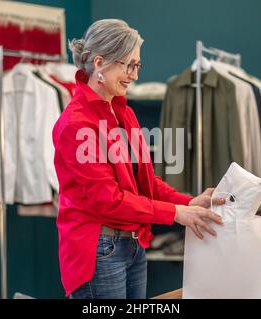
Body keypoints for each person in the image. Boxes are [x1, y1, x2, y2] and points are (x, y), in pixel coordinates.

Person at [52, 19, 224, 299]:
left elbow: (143, 183)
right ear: (99, 63)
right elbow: (108, 200)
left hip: (132, 245)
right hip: (97, 250)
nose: (134, 75)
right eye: (127, 65)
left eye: (137, 66)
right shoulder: (76, 124)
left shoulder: (123, 114)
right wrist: (176, 214)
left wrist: (188, 202)